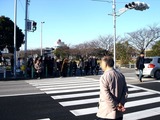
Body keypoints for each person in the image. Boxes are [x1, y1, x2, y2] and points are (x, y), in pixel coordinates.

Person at [96, 56, 128, 120]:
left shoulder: (104, 76)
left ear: (105, 64)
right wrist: (121, 103)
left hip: (106, 112)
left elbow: (106, 95)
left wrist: (115, 105)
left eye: (101, 63)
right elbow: (125, 92)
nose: (100, 66)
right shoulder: (121, 75)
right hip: (119, 112)